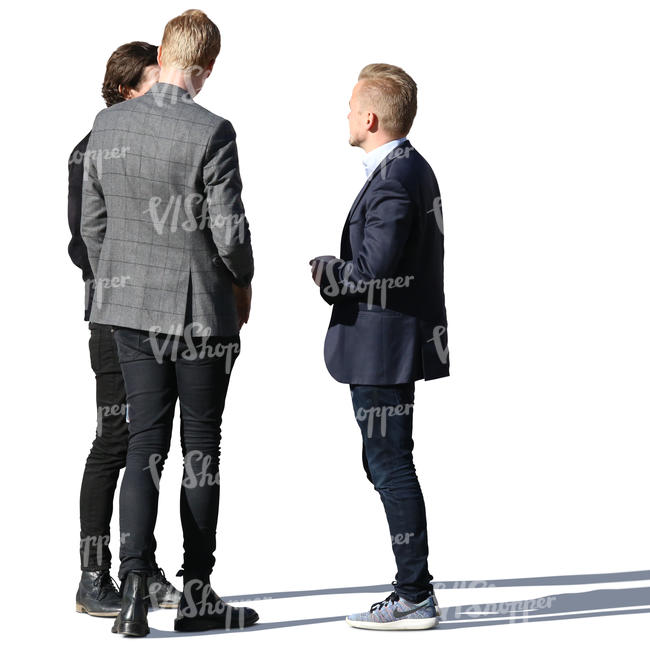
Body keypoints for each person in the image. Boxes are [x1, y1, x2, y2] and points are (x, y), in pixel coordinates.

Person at [81, 10, 257, 636]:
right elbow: (228, 232)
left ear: (162, 51)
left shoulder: (108, 124)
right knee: (200, 452)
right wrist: (246, 279)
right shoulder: (213, 130)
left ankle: (131, 596)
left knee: (141, 447)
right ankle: (197, 595)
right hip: (200, 314)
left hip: (127, 313)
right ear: (205, 68)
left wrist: (116, 277)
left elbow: (91, 224)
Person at [310, 63, 449, 630]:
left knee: (390, 464)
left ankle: (414, 593)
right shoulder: (407, 170)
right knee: (386, 462)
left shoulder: (395, 178)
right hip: (388, 346)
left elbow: (374, 270)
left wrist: (326, 270)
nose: (344, 115)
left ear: (370, 117)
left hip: (382, 349)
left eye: (349, 107)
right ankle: (412, 588)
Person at [68, 41, 180, 618]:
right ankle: (94, 575)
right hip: (114, 319)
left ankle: (143, 568)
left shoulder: (154, 144)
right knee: (116, 438)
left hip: (157, 316)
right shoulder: (92, 149)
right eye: (153, 83)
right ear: (126, 89)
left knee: (150, 444)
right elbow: (82, 241)